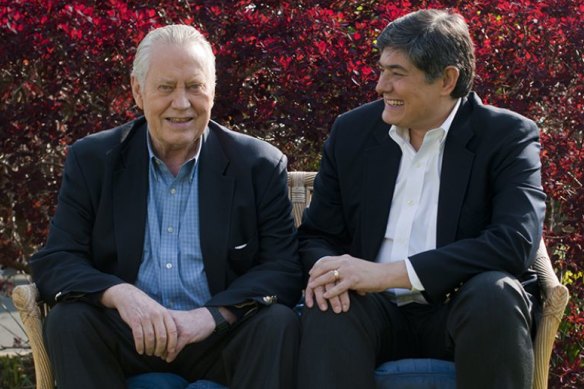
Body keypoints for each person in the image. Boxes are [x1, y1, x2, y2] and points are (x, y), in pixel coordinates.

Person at [29, 24, 303, 389]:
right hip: (130, 335)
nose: (181, 103)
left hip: (219, 339)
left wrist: (213, 316)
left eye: (194, 86)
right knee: (69, 320)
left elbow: (283, 267)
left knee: (277, 322)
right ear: (137, 91)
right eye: (166, 87)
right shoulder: (94, 160)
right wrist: (121, 295)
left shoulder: (257, 164)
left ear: (213, 90)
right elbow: (57, 260)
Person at [297, 9, 546, 389]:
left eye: (397, 73)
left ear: (447, 79)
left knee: (495, 293)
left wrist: (387, 274)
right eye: (381, 70)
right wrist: (332, 271)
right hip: (369, 311)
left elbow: (515, 243)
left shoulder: (507, 136)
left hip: (462, 310)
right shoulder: (352, 132)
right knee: (330, 301)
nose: (381, 86)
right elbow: (316, 235)